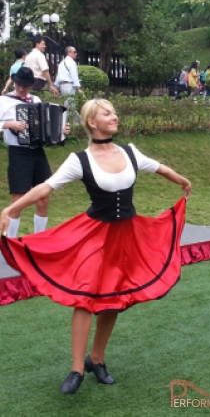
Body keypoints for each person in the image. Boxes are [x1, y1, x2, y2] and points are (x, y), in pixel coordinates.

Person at [0, 98, 192, 395]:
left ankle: (97, 358)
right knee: (86, 297)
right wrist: (10, 210)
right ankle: (77, 367)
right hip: (93, 236)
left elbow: (159, 168)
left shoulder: (130, 152)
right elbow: (45, 187)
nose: (114, 117)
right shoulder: (80, 159)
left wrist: (182, 180)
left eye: (113, 112)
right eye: (107, 113)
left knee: (114, 297)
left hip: (127, 235)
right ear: (92, 122)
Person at [0, 66, 70, 238]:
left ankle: (39, 239)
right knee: (18, 199)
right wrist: (8, 125)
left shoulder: (36, 100)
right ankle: (11, 242)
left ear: (31, 86)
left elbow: (47, 126)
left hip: (37, 152)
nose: (21, 88)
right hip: (18, 153)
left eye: (25, 86)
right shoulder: (4, 101)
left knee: (43, 197)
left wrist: (61, 130)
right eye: (18, 85)